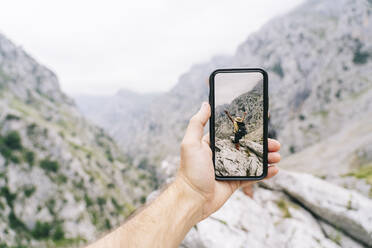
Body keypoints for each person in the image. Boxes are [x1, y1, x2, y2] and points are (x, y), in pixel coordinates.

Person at [87, 102, 281, 248]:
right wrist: (191, 191)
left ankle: (248, 184)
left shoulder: (246, 122)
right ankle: (248, 184)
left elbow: (237, 118)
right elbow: (234, 118)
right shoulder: (239, 121)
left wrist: (190, 192)